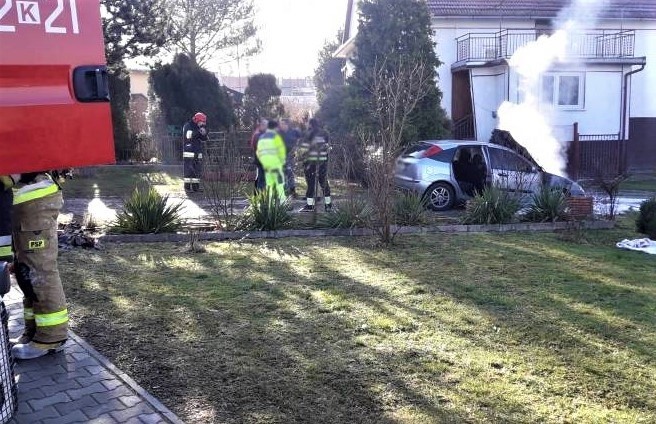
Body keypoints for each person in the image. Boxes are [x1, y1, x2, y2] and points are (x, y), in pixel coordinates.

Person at [1, 172, 68, 360]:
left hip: (35, 201)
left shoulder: (22, 146)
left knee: (40, 273)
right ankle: (33, 333)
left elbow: (10, 175)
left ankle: (51, 338)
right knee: (26, 274)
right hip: (28, 202)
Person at [298, 118, 332, 212]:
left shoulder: (307, 133)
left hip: (310, 164)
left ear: (310, 124)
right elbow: (328, 147)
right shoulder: (325, 133)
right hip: (322, 163)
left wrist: (301, 158)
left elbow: (303, 149)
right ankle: (328, 205)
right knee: (324, 183)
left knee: (311, 185)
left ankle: (310, 206)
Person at [255, 121, 287, 202]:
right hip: (276, 165)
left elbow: (258, 152)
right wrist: (282, 162)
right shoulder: (276, 137)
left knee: (269, 184)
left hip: (266, 166)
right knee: (279, 183)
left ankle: (269, 204)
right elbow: (281, 152)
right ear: (275, 128)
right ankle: (283, 203)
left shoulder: (261, 137)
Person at [182, 112, 208, 192]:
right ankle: (187, 188)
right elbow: (189, 136)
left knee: (196, 170)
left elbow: (203, 138)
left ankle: (195, 188)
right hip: (189, 152)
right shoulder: (188, 126)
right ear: (197, 120)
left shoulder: (197, 127)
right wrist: (199, 132)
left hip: (197, 152)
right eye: (202, 122)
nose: (203, 124)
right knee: (188, 170)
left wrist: (204, 134)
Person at [279, 119, 302, 198]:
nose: (280, 125)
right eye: (280, 124)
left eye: (282, 124)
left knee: (290, 173)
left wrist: (295, 149)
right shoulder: (279, 133)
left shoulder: (293, 132)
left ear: (286, 125)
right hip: (281, 156)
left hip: (291, 156)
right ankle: (284, 192)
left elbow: (300, 139)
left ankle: (292, 191)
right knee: (282, 174)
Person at [250, 119, 268, 192]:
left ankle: (257, 194)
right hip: (261, 161)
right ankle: (260, 197)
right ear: (262, 126)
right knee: (262, 179)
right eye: (266, 126)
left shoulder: (261, 134)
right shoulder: (258, 135)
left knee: (260, 178)